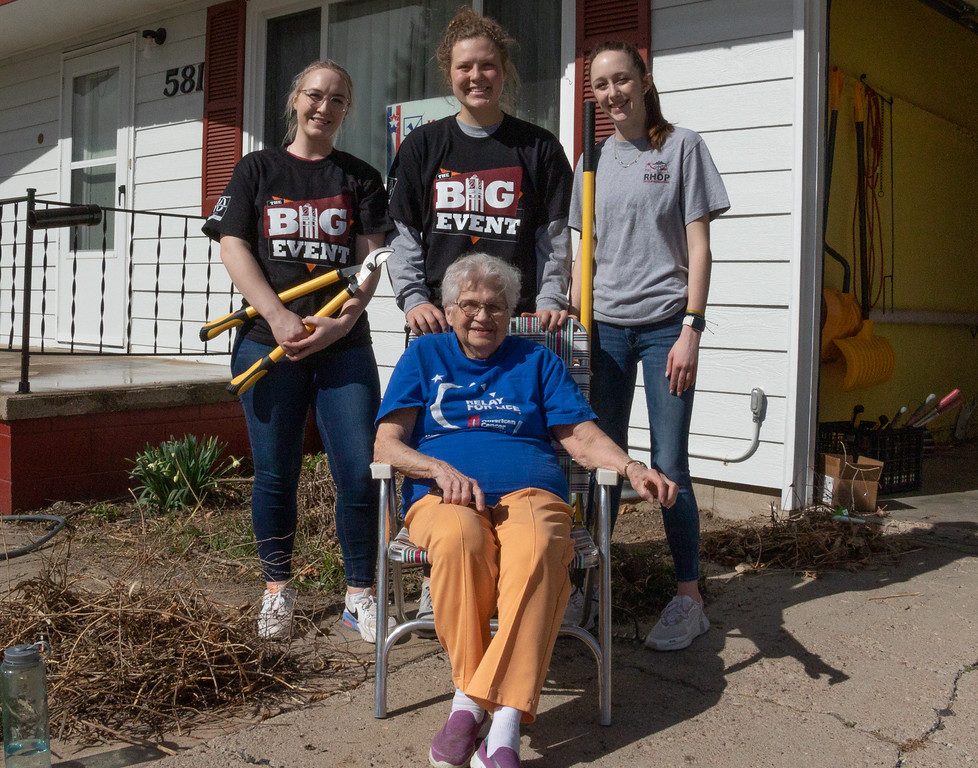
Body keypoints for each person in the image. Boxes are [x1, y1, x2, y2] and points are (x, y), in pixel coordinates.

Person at [374, 253, 678, 768]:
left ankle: (486, 715)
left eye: (495, 306)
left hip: (532, 495)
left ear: (512, 313)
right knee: (459, 542)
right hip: (444, 496)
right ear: (448, 311)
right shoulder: (424, 357)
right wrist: (436, 469)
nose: (482, 316)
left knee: (540, 550)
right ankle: (491, 712)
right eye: (469, 305)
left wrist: (631, 468)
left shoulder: (538, 362)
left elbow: (580, 439)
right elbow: (386, 445)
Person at [202, 60, 394, 643]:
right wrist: (278, 315)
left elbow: (370, 264)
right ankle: (277, 590)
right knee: (275, 475)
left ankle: (359, 592)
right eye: (315, 95)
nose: (324, 107)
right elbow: (233, 245)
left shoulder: (360, 177)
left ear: (346, 109)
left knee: (360, 472)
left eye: (337, 99)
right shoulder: (257, 168)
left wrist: (339, 325)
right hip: (269, 343)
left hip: (343, 349)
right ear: (295, 98)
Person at [569, 41, 730, 652]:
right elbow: (585, 250)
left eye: (621, 80)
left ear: (644, 80)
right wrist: (574, 317)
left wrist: (692, 327)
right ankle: (590, 582)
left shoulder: (682, 146)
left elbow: (698, 248)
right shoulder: (594, 155)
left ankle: (688, 596)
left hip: (666, 325)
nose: (612, 93)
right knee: (603, 463)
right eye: (601, 85)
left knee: (669, 464)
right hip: (605, 328)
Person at [386, 7, 573, 337]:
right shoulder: (421, 146)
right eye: (464, 67)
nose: (477, 76)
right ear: (449, 74)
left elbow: (554, 238)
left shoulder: (539, 147)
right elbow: (402, 235)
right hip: (438, 324)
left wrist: (551, 299)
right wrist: (414, 299)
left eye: (488, 65)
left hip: (519, 324)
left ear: (504, 71)